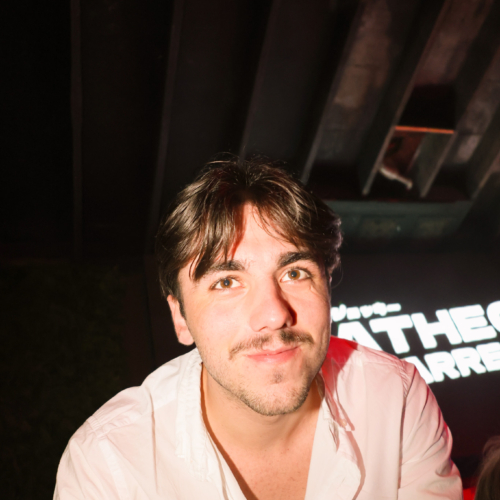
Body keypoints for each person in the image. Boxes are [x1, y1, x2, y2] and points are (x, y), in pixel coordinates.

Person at [54, 157, 462, 499]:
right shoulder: (108, 466)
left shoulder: (395, 398)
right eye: (226, 282)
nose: (273, 314)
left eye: (295, 273)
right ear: (180, 318)